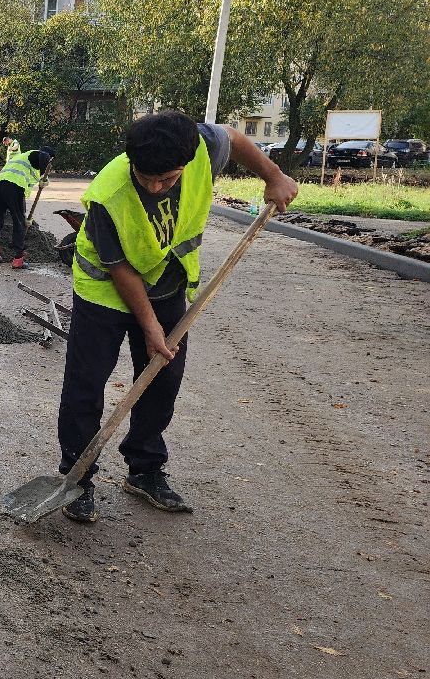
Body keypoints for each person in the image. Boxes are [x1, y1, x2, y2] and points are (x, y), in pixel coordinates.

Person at [57, 111, 298, 523]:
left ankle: (145, 468)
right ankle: (77, 477)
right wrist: (151, 328)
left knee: (162, 379)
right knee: (86, 383)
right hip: (105, 294)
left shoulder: (202, 147)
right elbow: (121, 270)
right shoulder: (107, 196)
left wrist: (273, 175)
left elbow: (233, 139)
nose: (155, 186)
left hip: (168, 286)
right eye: (145, 177)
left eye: (166, 179)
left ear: (187, 161)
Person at [0, 139, 54, 269]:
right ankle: (18, 259)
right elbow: (44, 155)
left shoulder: (23, 159)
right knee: (18, 221)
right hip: (13, 186)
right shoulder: (38, 154)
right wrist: (43, 176)